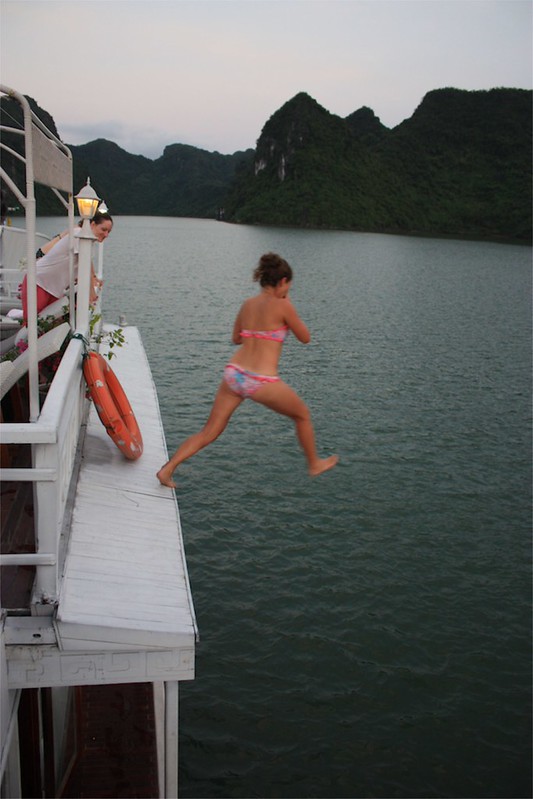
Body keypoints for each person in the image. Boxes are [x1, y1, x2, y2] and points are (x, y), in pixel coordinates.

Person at [157, 252, 338, 488]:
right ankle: (314, 463)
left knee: (208, 432)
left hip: (234, 374)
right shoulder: (284, 305)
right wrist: (287, 305)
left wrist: (257, 333)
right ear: (283, 282)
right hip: (260, 380)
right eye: (288, 285)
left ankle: (168, 470)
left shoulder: (247, 305)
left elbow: (236, 339)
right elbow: (305, 338)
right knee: (302, 415)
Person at [20, 210, 112, 321]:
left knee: (50, 325)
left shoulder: (88, 243)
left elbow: (87, 261)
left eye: (109, 232)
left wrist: (93, 278)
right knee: (32, 324)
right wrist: (92, 295)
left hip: (54, 289)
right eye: (104, 229)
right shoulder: (78, 234)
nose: (106, 234)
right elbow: (85, 264)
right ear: (92, 224)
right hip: (39, 281)